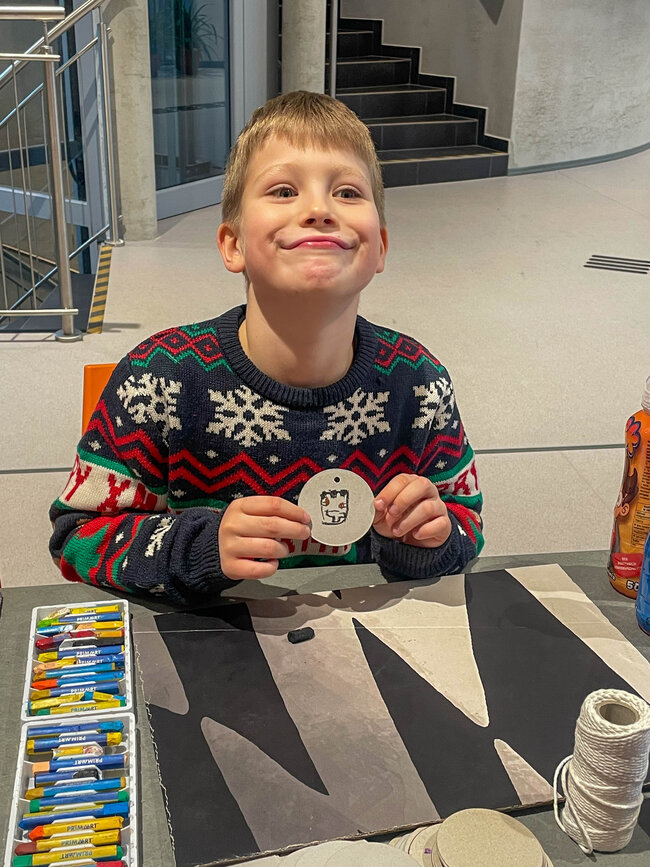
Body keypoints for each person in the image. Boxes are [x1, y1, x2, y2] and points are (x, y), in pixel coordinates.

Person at [49, 91, 484, 605]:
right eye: (283, 190)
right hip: (212, 640)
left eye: (347, 192)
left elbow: (466, 525)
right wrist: (201, 547)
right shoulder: (157, 379)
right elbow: (75, 537)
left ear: (380, 248)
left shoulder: (420, 382)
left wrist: (427, 539)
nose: (319, 209)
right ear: (233, 244)